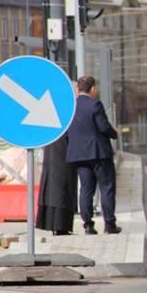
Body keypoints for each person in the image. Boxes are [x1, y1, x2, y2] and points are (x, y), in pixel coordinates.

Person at [65, 76, 122, 235]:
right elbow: (104, 127)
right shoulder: (95, 104)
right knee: (106, 187)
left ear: (78, 89)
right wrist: (115, 134)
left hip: (78, 154)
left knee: (85, 189)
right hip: (99, 153)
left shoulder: (71, 107)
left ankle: (88, 225)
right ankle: (109, 224)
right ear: (92, 89)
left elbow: (67, 132)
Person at [35, 134, 78, 236]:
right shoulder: (65, 123)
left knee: (54, 190)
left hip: (54, 157)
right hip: (63, 157)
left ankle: (55, 225)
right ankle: (60, 226)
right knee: (61, 190)